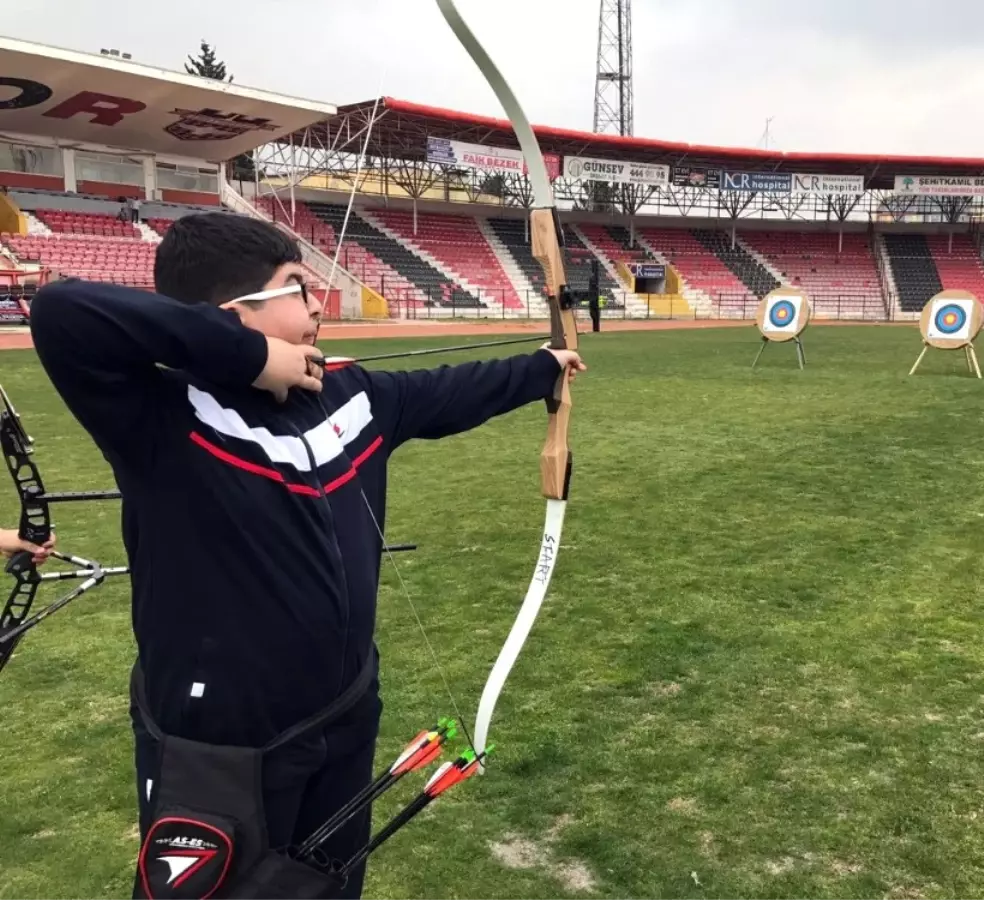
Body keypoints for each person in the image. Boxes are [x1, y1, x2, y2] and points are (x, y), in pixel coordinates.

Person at [27, 212, 585, 899]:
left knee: (325, 888)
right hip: (223, 743)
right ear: (232, 312)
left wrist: (542, 368)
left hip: (343, 714)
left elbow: (446, 391)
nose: (319, 302)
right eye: (296, 286)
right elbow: (61, 311)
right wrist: (250, 358)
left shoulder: (350, 394)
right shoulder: (159, 415)